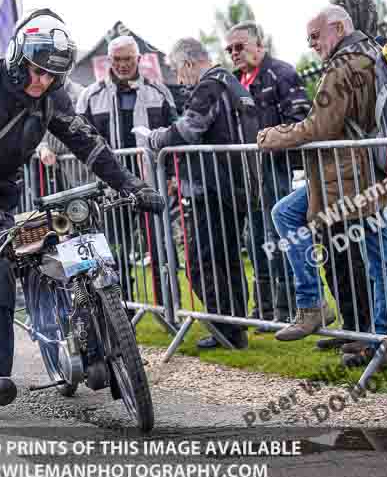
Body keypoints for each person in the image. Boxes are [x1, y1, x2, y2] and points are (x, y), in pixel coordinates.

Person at [0, 8, 164, 414]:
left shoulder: (52, 95)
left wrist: (132, 184)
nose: (41, 81)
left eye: (51, 75)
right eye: (35, 70)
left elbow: (87, 142)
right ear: (18, 58)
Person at [258, 5, 387, 367]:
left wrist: (274, 135)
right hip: (374, 168)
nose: (311, 45)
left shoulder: (345, 65)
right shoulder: (378, 52)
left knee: (375, 258)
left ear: (338, 27)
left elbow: (317, 127)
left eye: (316, 36)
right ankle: (371, 334)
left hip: (355, 175)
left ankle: (370, 334)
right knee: (376, 257)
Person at [135, 37, 254, 350]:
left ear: (188, 64)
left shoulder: (208, 86)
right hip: (234, 184)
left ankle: (223, 327)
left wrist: (154, 138)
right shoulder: (232, 82)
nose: (177, 77)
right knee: (227, 260)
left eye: (176, 69)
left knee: (201, 261)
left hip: (210, 186)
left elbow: (187, 130)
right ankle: (235, 327)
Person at [74, 35, 176, 309]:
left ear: (139, 59)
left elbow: (175, 137)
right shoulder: (89, 96)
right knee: (114, 252)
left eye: (127, 59)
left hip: (151, 183)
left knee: (161, 250)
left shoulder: (159, 92)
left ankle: (168, 310)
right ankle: (123, 313)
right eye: (116, 59)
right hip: (111, 187)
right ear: (108, 60)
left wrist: (172, 178)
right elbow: (79, 143)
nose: (121, 64)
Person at [225, 21, 310, 334]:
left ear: (259, 45)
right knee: (254, 238)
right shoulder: (233, 82)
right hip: (246, 171)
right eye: (229, 49)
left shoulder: (282, 73)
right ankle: (264, 309)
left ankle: (289, 308)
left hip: (276, 167)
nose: (234, 53)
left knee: (278, 238)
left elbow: (300, 118)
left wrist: (272, 142)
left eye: (240, 46)